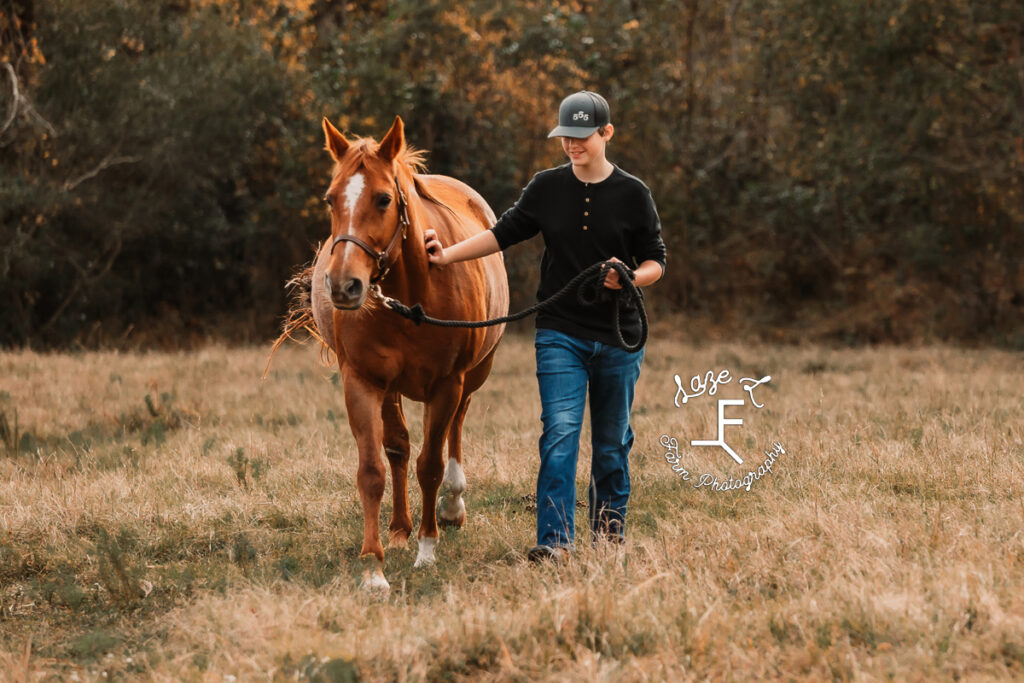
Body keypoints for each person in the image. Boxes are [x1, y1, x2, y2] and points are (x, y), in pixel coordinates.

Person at [424, 91, 667, 562]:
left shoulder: (634, 194)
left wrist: (631, 278)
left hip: (619, 336)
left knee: (612, 444)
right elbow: (502, 233)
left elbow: (657, 259)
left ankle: (608, 540)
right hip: (561, 333)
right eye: (565, 138)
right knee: (559, 434)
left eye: (582, 137)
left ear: (606, 133)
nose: (573, 146)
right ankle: (554, 544)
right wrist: (445, 256)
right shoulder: (546, 187)